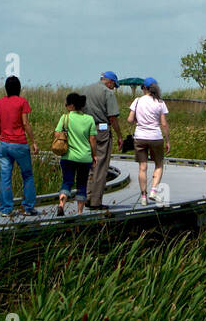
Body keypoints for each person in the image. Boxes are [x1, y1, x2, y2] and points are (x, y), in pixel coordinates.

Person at [0, 75, 39, 217]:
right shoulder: (22, 102)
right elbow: (25, 123)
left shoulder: (0, 102)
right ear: (19, 88)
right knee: (27, 175)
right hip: (19, 143)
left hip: (4, 144)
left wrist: (3, 135)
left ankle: (6, 209)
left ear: (6, 88)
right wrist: (34, 142)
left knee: (5, 176)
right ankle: (28, 207)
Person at [82, 71, 123, 210]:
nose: (114, 89)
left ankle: (87, 196)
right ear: (110, 82)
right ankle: (95, 201)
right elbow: (112, 117)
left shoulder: (86, 89)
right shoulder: (108, 93)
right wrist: (119, 135)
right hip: (102, 130)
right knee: (101, 165)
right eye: (114, 85)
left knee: (90, 163)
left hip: (86, 130)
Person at [127, 78, 170, 205]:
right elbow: (164, 123)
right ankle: (154, 191)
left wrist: (138, 121)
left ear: (144, 88)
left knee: (142, 167)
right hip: (155, 137)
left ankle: (144, 196)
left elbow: (129, 119)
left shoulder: (137, 101)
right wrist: (167, 140)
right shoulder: (160, 102)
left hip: (140, 136)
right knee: (159, 164)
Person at [56, 92, 96, 215]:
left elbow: (57, 134)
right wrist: (94, 155)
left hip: (68, 156)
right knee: (82, 184)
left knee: (67, 181)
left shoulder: (65, 118)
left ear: (71, 105)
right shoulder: (89, 119)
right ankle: (79, 212)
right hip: (85, 158)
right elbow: (92, 139)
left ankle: (61, 204)